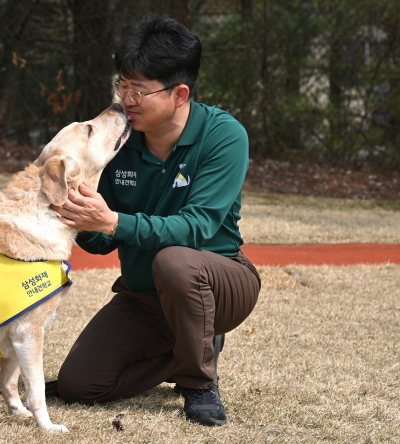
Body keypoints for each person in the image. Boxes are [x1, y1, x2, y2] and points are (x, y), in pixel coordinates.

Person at [49, 15, 261, 426]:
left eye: (138, 90)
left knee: (175, 260)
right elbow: (101, 241)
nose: (125, 100)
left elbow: (196, 226)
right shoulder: (119, 143)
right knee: (78, 385)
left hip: (218, 284)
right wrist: (79, 215)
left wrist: (113, 221)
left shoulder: (224, 135)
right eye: (121, 86)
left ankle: (199, 383)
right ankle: (192, 347)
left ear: (180, 93)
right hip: (142, 296)